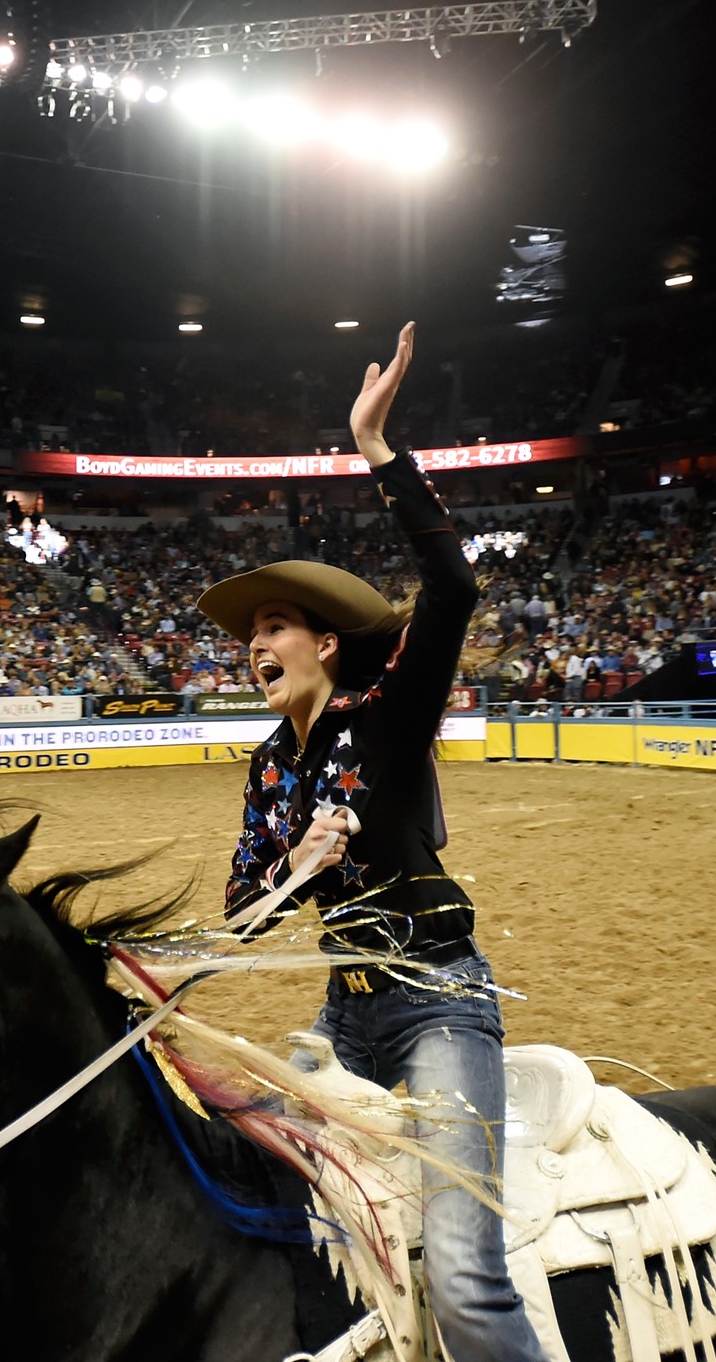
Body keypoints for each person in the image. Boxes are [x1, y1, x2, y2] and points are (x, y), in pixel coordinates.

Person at [196, 323, 550, 1362]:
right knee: (262, 1206)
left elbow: (453, 592)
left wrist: (375, 447)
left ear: (324, 644)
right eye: (249, 635)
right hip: (343, 1018)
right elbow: (240, 912)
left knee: (466, 1279)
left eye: (273, 626)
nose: (255, 645)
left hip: (440, 1003)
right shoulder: (269, 767)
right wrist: (294, 865)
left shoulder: (385, 722)